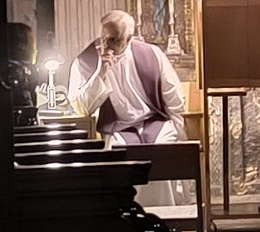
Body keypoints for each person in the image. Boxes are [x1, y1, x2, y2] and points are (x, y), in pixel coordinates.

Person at [68, 10, 186, 146]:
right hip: (116, 127)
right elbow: (81, 108)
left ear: (129, 38)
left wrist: (182, 136)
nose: (106, 45)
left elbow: (173, 97)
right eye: (103, 38)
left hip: (154, 122)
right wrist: (100, 74)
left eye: (113, 40)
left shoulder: (152, 54)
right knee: (119, 150)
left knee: (165, 147)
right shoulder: (84, 62)